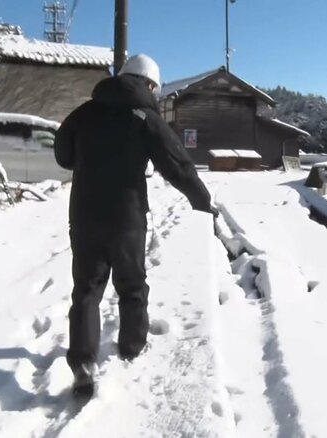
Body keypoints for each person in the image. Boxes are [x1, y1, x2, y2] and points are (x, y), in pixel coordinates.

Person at [54, 54, 215, 397]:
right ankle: (131, 345)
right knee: (131, 285)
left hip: (84, 214)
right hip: (127, 218)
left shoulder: (82, 114)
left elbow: (63, 155)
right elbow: (177, 164)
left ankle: (83, 362)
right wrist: (201, 200)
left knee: (86, 290)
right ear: (149, 84)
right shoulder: (145, 118)